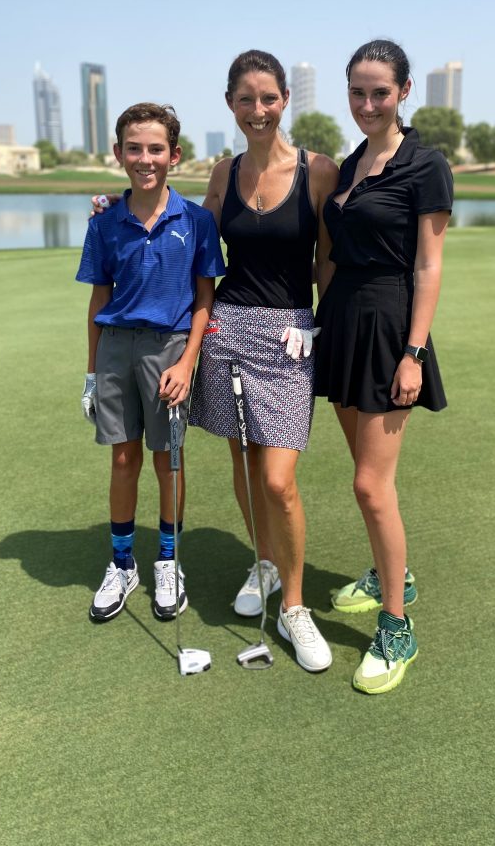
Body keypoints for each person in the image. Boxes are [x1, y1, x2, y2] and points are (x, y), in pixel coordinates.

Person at [188, 50, 340, 673]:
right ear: (231, 104)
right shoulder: (223, 172)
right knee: (246, 465)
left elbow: (329, 259)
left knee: (278, 480)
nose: (258, 109)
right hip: (228, 330)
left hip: (288, 336)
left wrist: (321, 323)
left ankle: (295, 608)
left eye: (269, 98)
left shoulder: (318, 170)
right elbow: (195, 243)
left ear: (285, 101)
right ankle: (265, 565)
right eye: (246, 99)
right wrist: (114, 210)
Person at [313, 39, 453, 694]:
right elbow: (332, 253)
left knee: (371, 486)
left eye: (379, 92)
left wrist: (415, 352)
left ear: (402, 92)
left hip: (389, 328)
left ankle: (397, 625)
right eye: (356, 92)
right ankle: (391, 573)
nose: (367, 104)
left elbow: (428, 265)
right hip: (342, 323)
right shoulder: (348, 164)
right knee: (367, 479)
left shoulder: (425, 165)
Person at [77, 102, 225, 624]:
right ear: (119, 154)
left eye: (156, 149)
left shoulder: (198, 221)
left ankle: (168, 559)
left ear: (175, 155)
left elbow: (205, 299)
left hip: (170, 349)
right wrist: (93, 373)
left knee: (169, 460)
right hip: (118, 346)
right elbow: (98, 303)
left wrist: (187, 363)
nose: (145, 158)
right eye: (134, 148)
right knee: (123, 458)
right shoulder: (105, 223)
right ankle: (122, 564)